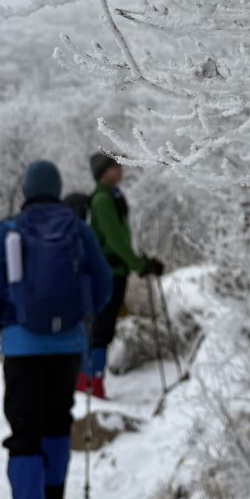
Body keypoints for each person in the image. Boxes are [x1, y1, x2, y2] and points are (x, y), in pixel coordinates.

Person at [0, 159, 113, 499]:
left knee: (24, 433)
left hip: (23, 348)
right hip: (68, 346)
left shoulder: (9, 231)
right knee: (58, 422)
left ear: (26, 190)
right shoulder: (78, 228)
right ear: (55, 189)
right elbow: (103, 282)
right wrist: (79, 314)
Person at [78, 152, 164, 399]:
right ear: (105, 171)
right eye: (116, 165)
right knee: (102, 328)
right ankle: (91, 381)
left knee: (102, 327)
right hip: (109, 273)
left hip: (114, 271)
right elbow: (115, 240)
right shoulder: (103, 200)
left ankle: (91, 379)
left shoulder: (110, 197)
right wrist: (140, 264)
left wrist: (138, 262)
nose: (121, 168)